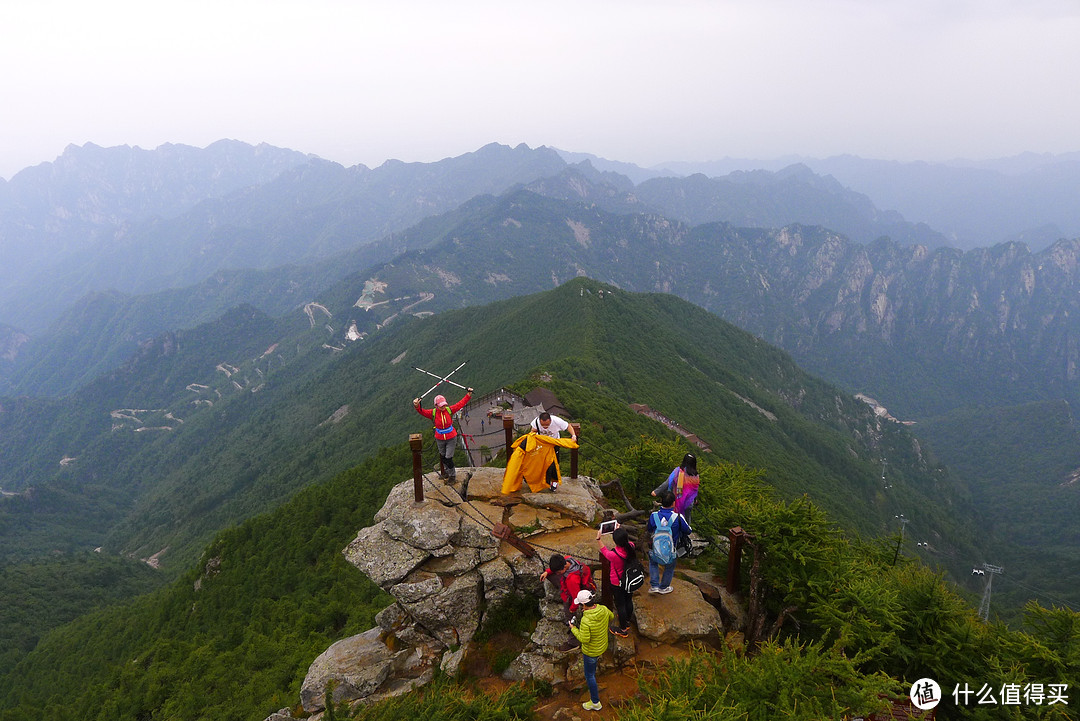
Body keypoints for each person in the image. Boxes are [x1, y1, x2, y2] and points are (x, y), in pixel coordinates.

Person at [413, 388, 472, 481]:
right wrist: (417, 406)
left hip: (451, 437)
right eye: (441, 405)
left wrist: (468, 395)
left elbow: (460, 403)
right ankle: (446, 473)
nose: (443, 407)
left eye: (444, 405)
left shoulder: (449, 410)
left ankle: (452, 476)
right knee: (443, 456)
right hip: (440, 438)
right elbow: (422, 411)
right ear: (436, 405)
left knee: (448, 457)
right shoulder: (433, 413)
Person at [569, 589, 613, 712]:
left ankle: (595, 702)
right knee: (592, 671)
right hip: (602, 646)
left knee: (590, 675)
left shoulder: (586, 620)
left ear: (583, 605)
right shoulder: (603, 609)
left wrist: (573, 628)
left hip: (591, 652)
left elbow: (584, 639)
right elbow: (611, 616)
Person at [647, 490, 692, 594]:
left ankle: (654, 586)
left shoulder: (653, 515)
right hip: (671, 549)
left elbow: (649, 529)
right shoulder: (678, 517)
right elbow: (688, 530)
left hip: (655, 548)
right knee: (670, 567)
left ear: (661, 501)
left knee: (653, 563)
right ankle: (664, 587)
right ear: (673, 503)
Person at [597, 525, 635, 637]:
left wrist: (599, 539)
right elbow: (624, 542)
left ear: (615, 541)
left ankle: (623, 629)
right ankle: (627, 619)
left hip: (617, 582)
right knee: (628, 599)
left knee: (620, 605)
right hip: (629, 580)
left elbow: (604, 551)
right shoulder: (631, 546)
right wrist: (619, 530)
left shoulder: (614, 555)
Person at [530, 411, 577, 491]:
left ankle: (554, 481)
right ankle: (540, 480)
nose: (545, 427)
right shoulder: (536, 422)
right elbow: (533, 431)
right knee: (540, 461)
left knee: (554, 463)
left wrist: (573, 435)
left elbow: (568, 426)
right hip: (542, 444)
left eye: (547, 425)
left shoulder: (557, 421)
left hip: (554, 443)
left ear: (550, 420)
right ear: (540, 421)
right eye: (543, 425)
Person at [652, 452, 701, 524]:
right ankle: (686, 533)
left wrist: (656, 492)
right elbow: (694, 491)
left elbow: (667, 483)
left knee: (674, 521)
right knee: (686, 521)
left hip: (676, 502)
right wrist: (695, 500)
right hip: (689, 503)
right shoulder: (696, 476)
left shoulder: (678, 471)